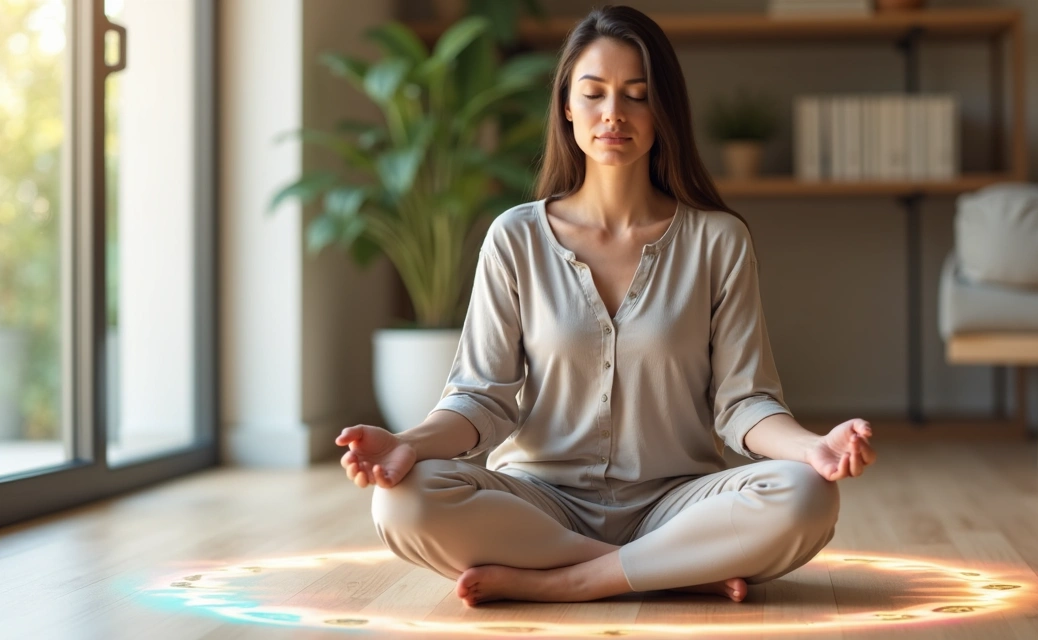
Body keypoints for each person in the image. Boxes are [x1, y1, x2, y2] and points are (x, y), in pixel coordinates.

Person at [335, 5, 876, 608]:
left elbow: (744, 402)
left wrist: (811, 448)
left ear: (663, 110)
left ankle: (571, 579)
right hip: (539, 503)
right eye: (593, 93)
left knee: (807, 494)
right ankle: (671, 569)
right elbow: (480, 400)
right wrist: (408, 443)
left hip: (678, 504)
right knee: (403, 501)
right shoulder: (515, 238)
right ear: (567, 106)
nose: (613, 113)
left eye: (636, 96)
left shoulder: (718, 240)